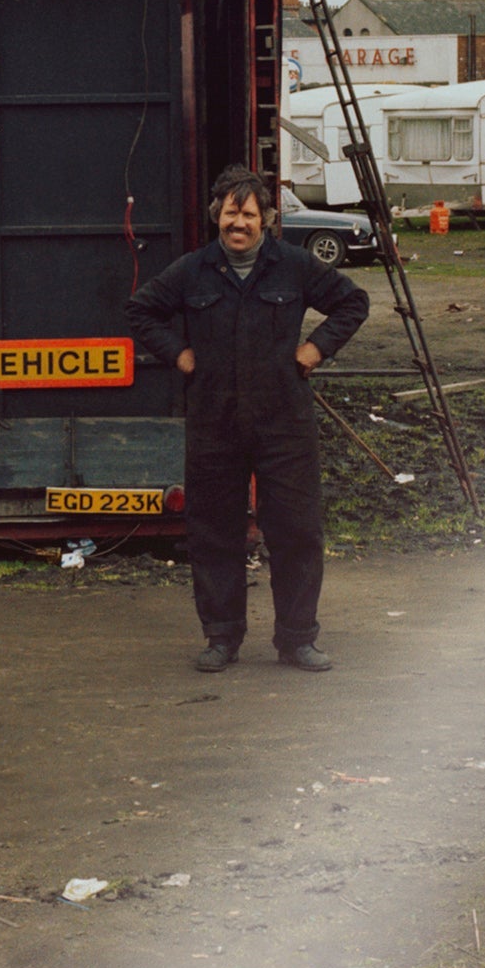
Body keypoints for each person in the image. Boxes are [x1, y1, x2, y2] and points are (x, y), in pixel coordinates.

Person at [126, 164, 369, 672]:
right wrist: (179, 355)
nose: (240, 223)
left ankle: (297, 639)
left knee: (297, 530)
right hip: (215, 422)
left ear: (266, 220)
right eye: (231, 213)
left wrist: (315, 349)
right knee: (214, 531)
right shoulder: (192, 270)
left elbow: (352, 302)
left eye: (250, 214)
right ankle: (221, 637)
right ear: (218, 215)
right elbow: (141, 311)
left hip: (284, 422)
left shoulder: (295, 266)